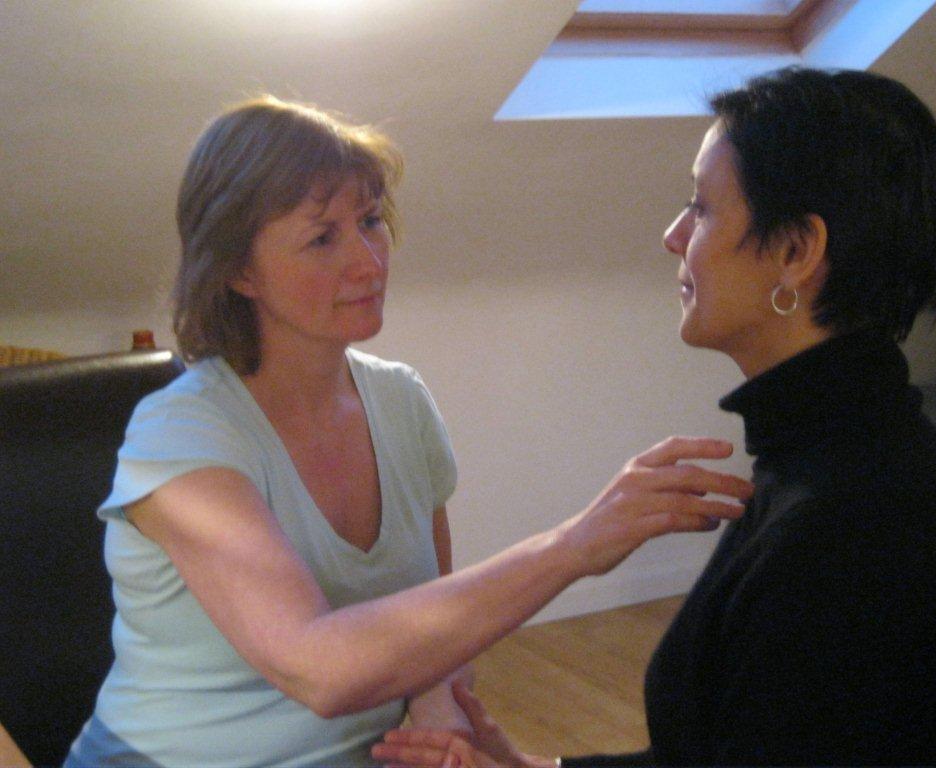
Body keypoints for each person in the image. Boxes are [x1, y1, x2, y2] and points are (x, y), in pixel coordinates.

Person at [63, 96, 754, 768]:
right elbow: (318, 668)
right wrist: (575, 545)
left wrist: (437, 711)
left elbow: (435, 627)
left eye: (370, 220)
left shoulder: (399, 400)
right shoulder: (182, 436)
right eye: (322, 237)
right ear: (240, 270)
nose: (369, 261)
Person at [372, 66, 936, 768]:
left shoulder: (852, 519)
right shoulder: (834, 456)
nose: (673, 235)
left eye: (702, 209)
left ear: (796, 252)